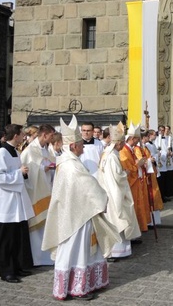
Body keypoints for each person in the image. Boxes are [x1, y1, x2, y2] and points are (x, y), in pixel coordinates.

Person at [42, 115, 120, 300]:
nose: (83, 147)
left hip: (80, 213)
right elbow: (88, 186)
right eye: (80, 144)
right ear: (72, 146)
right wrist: (103, 199)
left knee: (85, 249)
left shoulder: (70, 162)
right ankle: (75, 288)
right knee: (75, 250)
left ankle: (85, 283)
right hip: (76, 218)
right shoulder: (71, 166)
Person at [0, 124, 34, 284]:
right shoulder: (1, 152)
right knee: (6, 238)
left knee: (16, 236)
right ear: (15, 136)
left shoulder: (14, 151)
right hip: (5, 203)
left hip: (16, 202)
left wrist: (22, 173)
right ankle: (5, 270)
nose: (24, 137)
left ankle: (17, 266)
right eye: (22, 134)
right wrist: (19, 173)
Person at [97, 122, 141, 261]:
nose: (123, 145)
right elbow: (117, 176)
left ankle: (117, 250)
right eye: (122, 142)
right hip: (114, 192)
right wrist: (125, 173)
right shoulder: (112, 156)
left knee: (114, 220)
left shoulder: (107, 153)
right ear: (118, 143)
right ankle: (116, 251)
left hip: (108, 191)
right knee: (117, 219)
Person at [20, 124, 56, 266]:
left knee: (45, 225)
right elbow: (27, 170)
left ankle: (44, 256)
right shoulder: (30, 150)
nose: (53, 138)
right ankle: (36, 258)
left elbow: (49, 162)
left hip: (46, 189)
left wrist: (49, 167)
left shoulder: (45, 149)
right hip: (34, 192)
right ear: (45, 135)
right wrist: (44, 168)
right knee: (35, 227)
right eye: (51, 135)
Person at [119, 122, 151, 235]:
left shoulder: (130, 149)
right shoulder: (124, 151)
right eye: (137, 139)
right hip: (130, 183)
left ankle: (137, 230)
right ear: (132, 138)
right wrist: (138, 165)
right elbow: (127, 168)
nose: (138, 142)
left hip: (136, 182)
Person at [141, 129, 164, 226]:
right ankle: (149, 221)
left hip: (151, 174)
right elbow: (141, 161)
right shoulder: (140, 148)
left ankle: (154, 220)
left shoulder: (144, 147)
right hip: (145, 177)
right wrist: (150, 160)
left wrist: (151, 160)